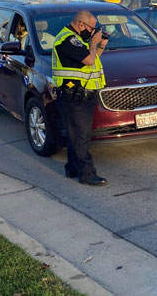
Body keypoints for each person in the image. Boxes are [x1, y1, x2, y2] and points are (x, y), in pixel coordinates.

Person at [52, 10, 108, 186]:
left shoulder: (76, 40)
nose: (93, 32)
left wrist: (100, 46)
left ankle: (72, 168)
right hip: (74, 96)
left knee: (75, 134)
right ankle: (87, 174)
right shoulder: (68, 40)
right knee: (81, 136)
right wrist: (93, 42)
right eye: (92, 28)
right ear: (81, 25)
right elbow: (89, 61)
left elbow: (92, 58)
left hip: (81, 95)